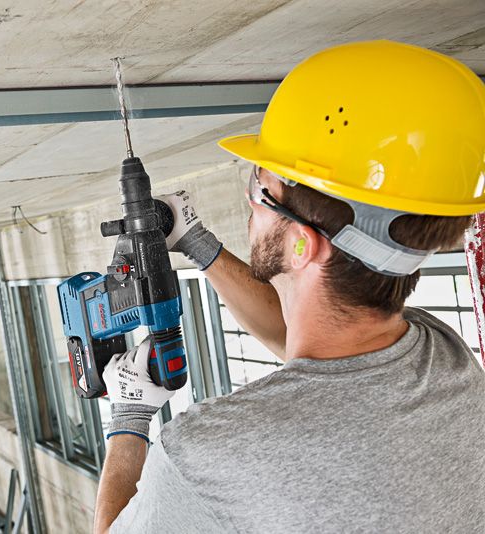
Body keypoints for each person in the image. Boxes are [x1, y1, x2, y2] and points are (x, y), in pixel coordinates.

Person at [93, 40, 485, 533]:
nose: (247, 196)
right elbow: (305, 347)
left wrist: (128, 416)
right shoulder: (442, 358)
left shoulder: (211, 452)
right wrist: (198, 245)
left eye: (262, 188)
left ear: (302, 247)